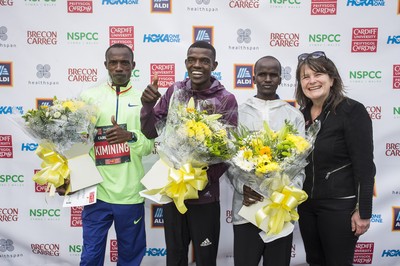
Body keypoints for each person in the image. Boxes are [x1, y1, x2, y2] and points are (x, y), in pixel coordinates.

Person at [140, 41, 238, 266]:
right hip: (174, 193)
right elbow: (149, 132)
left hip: (204, 196)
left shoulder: (225, 99)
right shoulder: (176, 91)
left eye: (204, 61)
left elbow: (228, 151)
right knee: (175, 256)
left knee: (205, 258)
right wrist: (147, 106)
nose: (197, 65)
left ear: (214, 64)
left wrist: (200, 180)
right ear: (185, 62)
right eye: (192, 59)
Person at [57, 43, 154, 266]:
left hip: (130, 195)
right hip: (95, 194)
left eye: (124, 63)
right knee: (90, 256)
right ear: (106, 65)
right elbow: (74, 142)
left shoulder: (143, 100)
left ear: (133, 66)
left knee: (130, 257)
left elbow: (149, 146)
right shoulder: (88, 97)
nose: (119, 67)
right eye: (114, 62)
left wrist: (129, 136)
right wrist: (65, 173)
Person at [294, 51, 376, 266]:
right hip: (306, 206)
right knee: (315, 261)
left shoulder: (352, 111)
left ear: (332, 79)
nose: (312, 81)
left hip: (339, 207)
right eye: (305, 76)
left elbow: (365, 166)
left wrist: (363, 210)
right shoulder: (300, 116)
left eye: (318, 74)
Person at [228, 55, 305, 266]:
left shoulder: (293, 115)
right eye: (262, 74)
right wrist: (243, 187)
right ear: (254, 78)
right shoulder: (238, 113)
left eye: (273, 74)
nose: (268, 79)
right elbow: (229, 160)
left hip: (280, 210)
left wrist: (286, 192)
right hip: (246, 209)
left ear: (281, 79)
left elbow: (300, 164)